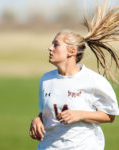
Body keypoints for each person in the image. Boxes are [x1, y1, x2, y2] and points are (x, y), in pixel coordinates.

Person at [29, 1, 119, 150]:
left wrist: (80, 115)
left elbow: (110, 116)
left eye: (56, 44)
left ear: (71, 51)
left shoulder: (94, 81)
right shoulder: (46, 79)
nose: (50, 48)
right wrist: (37, 119)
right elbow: (47, 112)